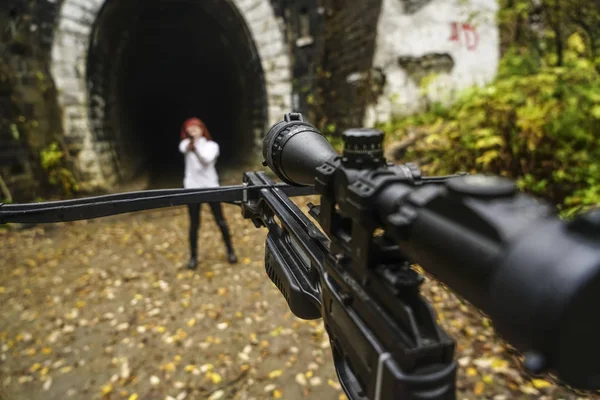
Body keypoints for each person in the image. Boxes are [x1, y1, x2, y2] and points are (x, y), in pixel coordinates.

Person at [179, 118, 238, 269]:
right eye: (189, 130)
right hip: (192, 188)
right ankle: (193, 257)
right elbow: (183, 148)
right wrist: (191, 144)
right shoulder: (185, 144)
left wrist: (196, 149)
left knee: (220, 221)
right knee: (194, 224)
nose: (193, 132)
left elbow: (206, 160)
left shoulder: (211, 146)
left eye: (195, 129)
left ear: (201, 129)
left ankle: (230, 251)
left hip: (211, 186)